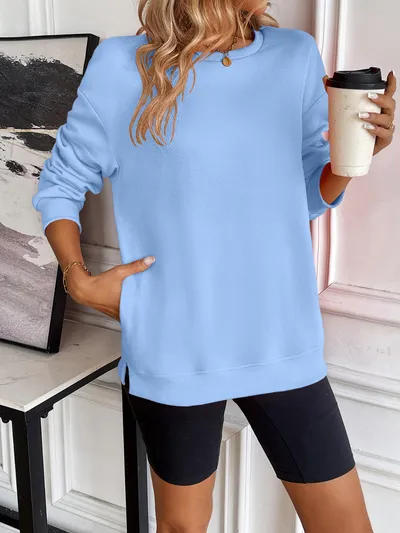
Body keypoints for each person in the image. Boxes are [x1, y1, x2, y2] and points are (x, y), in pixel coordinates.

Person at [33, 1, 396, 531]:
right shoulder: (122, 67)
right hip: (174, 341)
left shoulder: (295, 55)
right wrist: (80, 282)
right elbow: (59, 185)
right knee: (183, 526)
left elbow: (301, 196)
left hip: (279, 334)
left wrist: (354, 156)